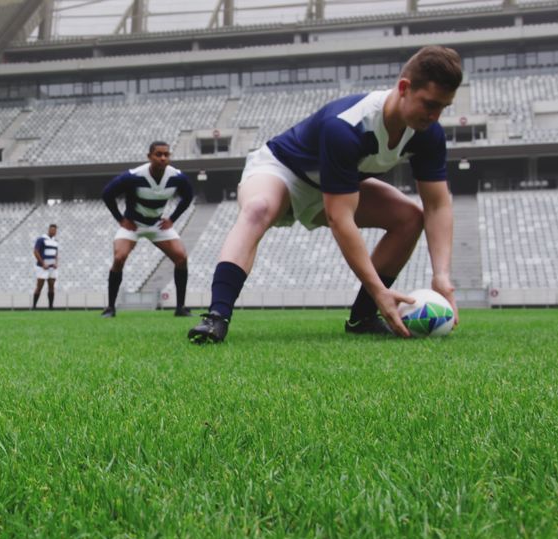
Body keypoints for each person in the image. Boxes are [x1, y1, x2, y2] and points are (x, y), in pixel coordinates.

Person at [189, 45, 463, 344]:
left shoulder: (428, 134)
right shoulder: (346, 126)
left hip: (330, 185)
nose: (435, 116)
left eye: (443, 108)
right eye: (429, 104)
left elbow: (437, 204)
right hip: (282, 170)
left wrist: (442, 277)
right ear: (404, 88)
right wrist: (379, 288)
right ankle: (216, 318)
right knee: (258, 208)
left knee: (409, 217)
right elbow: (339, 217)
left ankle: (363, 318)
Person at [101, 141, 194, 318]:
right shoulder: (133, 176)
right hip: (133, 225)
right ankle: (110, 308)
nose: (163, 158)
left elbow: (188, 197)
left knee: (181, 258)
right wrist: (121, 219)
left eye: (166, 154)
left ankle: (180, 308)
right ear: (149, 156)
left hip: (157, 225)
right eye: (158, 154)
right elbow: (107, 194)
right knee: (119, 258)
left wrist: (172, 219)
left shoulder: (177, 177)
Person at [32, 224, 59, 310]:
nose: (53, 231)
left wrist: (56, 263)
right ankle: (34, 306)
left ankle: (50, 307)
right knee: (39, 286)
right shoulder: (41, 239)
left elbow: (56, 253)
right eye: (52, 230)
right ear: (49, 230)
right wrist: (42, 263)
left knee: (51, 286)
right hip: (42, 267)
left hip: (51, 267)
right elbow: (36, 251)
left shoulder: (55, 241)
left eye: (55, 230)